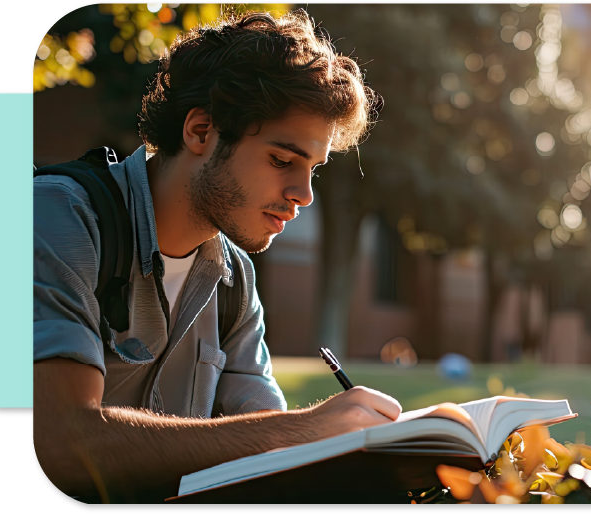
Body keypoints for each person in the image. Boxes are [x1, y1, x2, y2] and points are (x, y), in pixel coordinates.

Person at [33, 9, 399, 503]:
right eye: (281, 160)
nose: (303, 194)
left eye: (313, 169)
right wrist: (303, 429)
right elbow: (63, 448)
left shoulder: (235, 280)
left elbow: (269, 462)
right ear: (201, 132)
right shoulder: (61, 216)